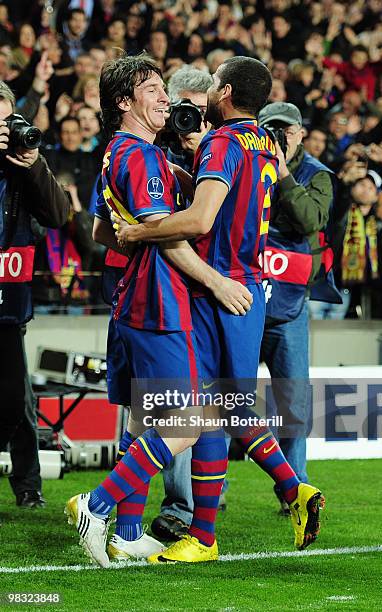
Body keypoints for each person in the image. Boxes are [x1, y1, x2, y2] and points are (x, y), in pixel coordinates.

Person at [115, 58, 324, 564]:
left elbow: (204, 217)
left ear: (223, 92)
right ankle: (292, 489)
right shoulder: (264, 144)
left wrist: (139, 230)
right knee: (226, 406)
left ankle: (200, 535)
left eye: (212, 86)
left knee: (207, 410)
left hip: (219, 290)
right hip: (249, 286)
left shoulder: (224, 142)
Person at [64, 53, 253, 569]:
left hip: (130, 301)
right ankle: (96, 504)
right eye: (151, 88)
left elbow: (105, 232)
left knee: (143, 420)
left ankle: (126, 533)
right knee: (191, 421)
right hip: (162, 305)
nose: (164, 96)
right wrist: (218, 282)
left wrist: (142, 235)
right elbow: (174, 237)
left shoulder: (116, 154)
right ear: (124, 102)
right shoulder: (143, 159)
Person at [257, 101, 334, 513]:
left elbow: (310, 221)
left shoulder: (317, 175)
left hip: (289, 305)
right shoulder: (249, 164)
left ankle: (295, 489)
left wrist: (283, 173)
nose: (279, 137)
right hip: (246, 300)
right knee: (226, 396)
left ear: (300, 133)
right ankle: (214, 488)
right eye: (271, 130)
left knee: (293, 403)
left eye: (285, 131)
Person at [0, 81, 69, 501]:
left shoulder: (22, 166)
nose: (5, 131)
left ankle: (27, 485)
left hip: (10, 301)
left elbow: (59, 214)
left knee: (15, 398)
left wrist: (34, 165)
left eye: (8, 121)